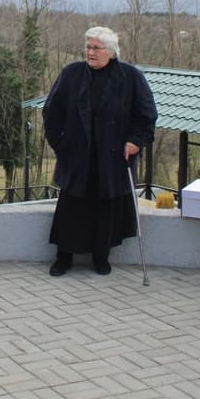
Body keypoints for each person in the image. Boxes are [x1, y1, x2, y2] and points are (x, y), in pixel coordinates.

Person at [42, 27, 158, 276]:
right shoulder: (71, 74)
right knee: (71, 208)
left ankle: (101, 256)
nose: (90, 52)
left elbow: (146, 116)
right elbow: (52, 112)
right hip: (77, 157)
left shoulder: (130, 77)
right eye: (88, 47)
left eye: (96, 48)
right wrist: (61, 145)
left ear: (111, 52)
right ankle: (64, 257)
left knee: (106, 210)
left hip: (113, 157)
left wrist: (136, 141)